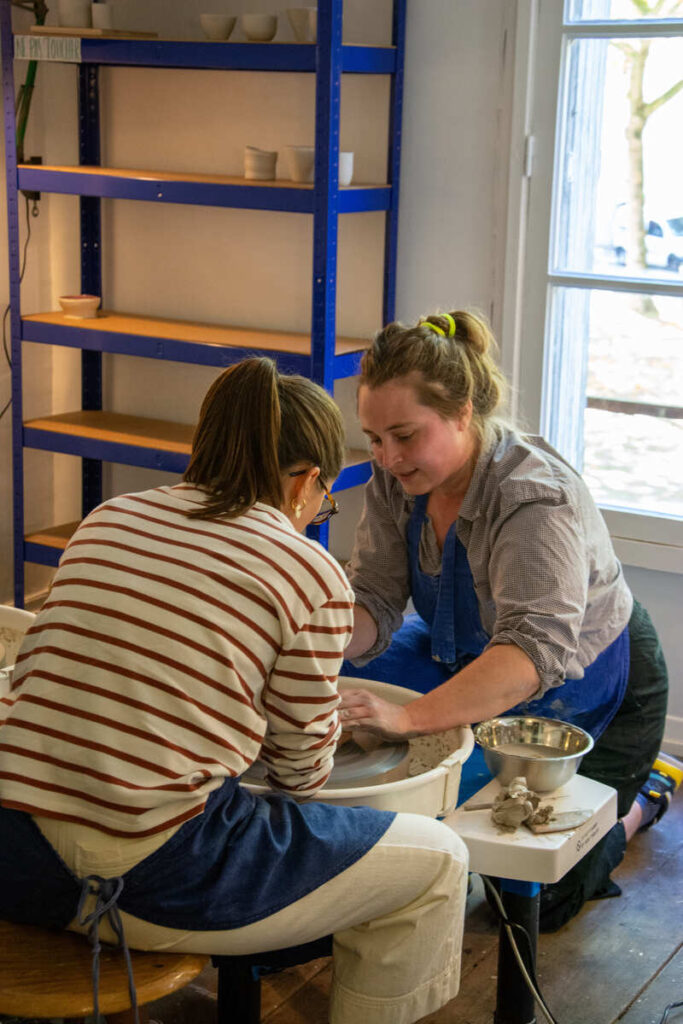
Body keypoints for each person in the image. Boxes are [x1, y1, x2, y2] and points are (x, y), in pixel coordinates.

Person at [0, 357, 469, 1024]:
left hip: (14, 852)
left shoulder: (108, 520)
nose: (315, 515)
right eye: (323, 502)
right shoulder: (306, 569)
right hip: (137, 878)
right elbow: (302, 776)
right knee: (439, 863)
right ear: (306, 481)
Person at [338, 309, 675, 931]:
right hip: (464, 650)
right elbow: (376, 601)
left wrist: (407, 719)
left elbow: (529, 657)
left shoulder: (531, 495)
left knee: (528, 894)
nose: (386, 457)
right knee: (333, 679)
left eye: (405, 436)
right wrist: (308, 637)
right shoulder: (397, 479)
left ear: (463, 411)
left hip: (580, 672)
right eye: (374, 438)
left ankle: (641, 798)